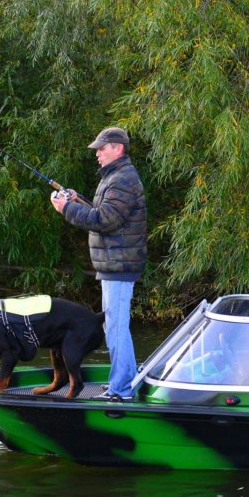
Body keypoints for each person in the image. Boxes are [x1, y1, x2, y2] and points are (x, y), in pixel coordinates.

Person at [50, 126, 147, 399]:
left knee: (115, 326)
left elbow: (105, 220)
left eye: (101, 149)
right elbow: (102, 211)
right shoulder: (115, 177)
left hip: (119, 266)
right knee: (113, 325)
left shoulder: (123, 179)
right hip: (112, 265)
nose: (97, 155)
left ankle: (122, 389)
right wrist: (76, 200)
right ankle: (123, 379)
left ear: (117, 148)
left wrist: (66, 209)